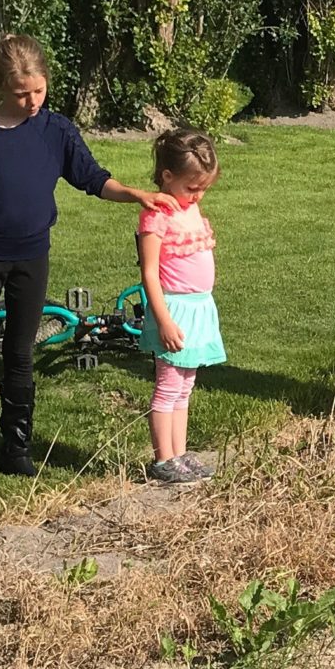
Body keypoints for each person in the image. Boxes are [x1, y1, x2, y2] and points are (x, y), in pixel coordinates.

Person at [0, 34, 175, 481]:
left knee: (21, 352)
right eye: (20, 93)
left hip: (32, 254)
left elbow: (92, 178)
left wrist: (136, 195)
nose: (31, 101)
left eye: (38, 90)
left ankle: (16, 447)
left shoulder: (56, 130)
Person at [136, 129, 224, 487]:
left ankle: (179, 453)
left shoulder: (190, 207)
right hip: (174, 311)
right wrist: (164, 321)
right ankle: (163, 459)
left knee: (185, 387)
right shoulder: (156, 217)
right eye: (192, 187)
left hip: (199, 308)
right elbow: (149, 273)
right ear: (167, 177)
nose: (198, 195)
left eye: (203, 188)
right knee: (168, 386)